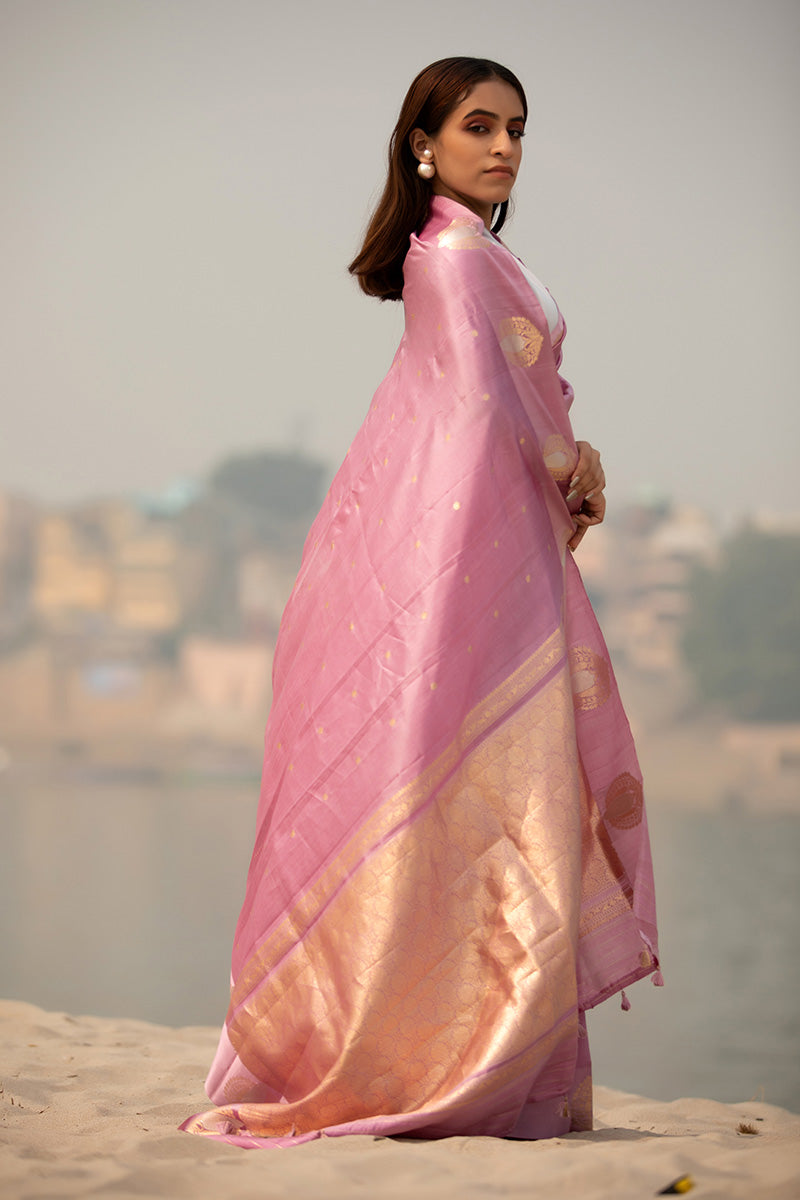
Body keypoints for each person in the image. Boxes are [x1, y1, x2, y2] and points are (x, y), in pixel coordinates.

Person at [182, 56, 660, 1148]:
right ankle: (446, 1061)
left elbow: (517, 399)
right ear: (422, 144)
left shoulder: (479, 255)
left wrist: (569, 461)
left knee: (485, 808)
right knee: (475, 804)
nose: (501, 148)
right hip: (461, 567)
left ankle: (489, 1058)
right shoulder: (448, 258)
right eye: (478, 127)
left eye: (517, 131)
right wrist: (566, 468)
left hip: (485, 553)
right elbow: (473, 418)